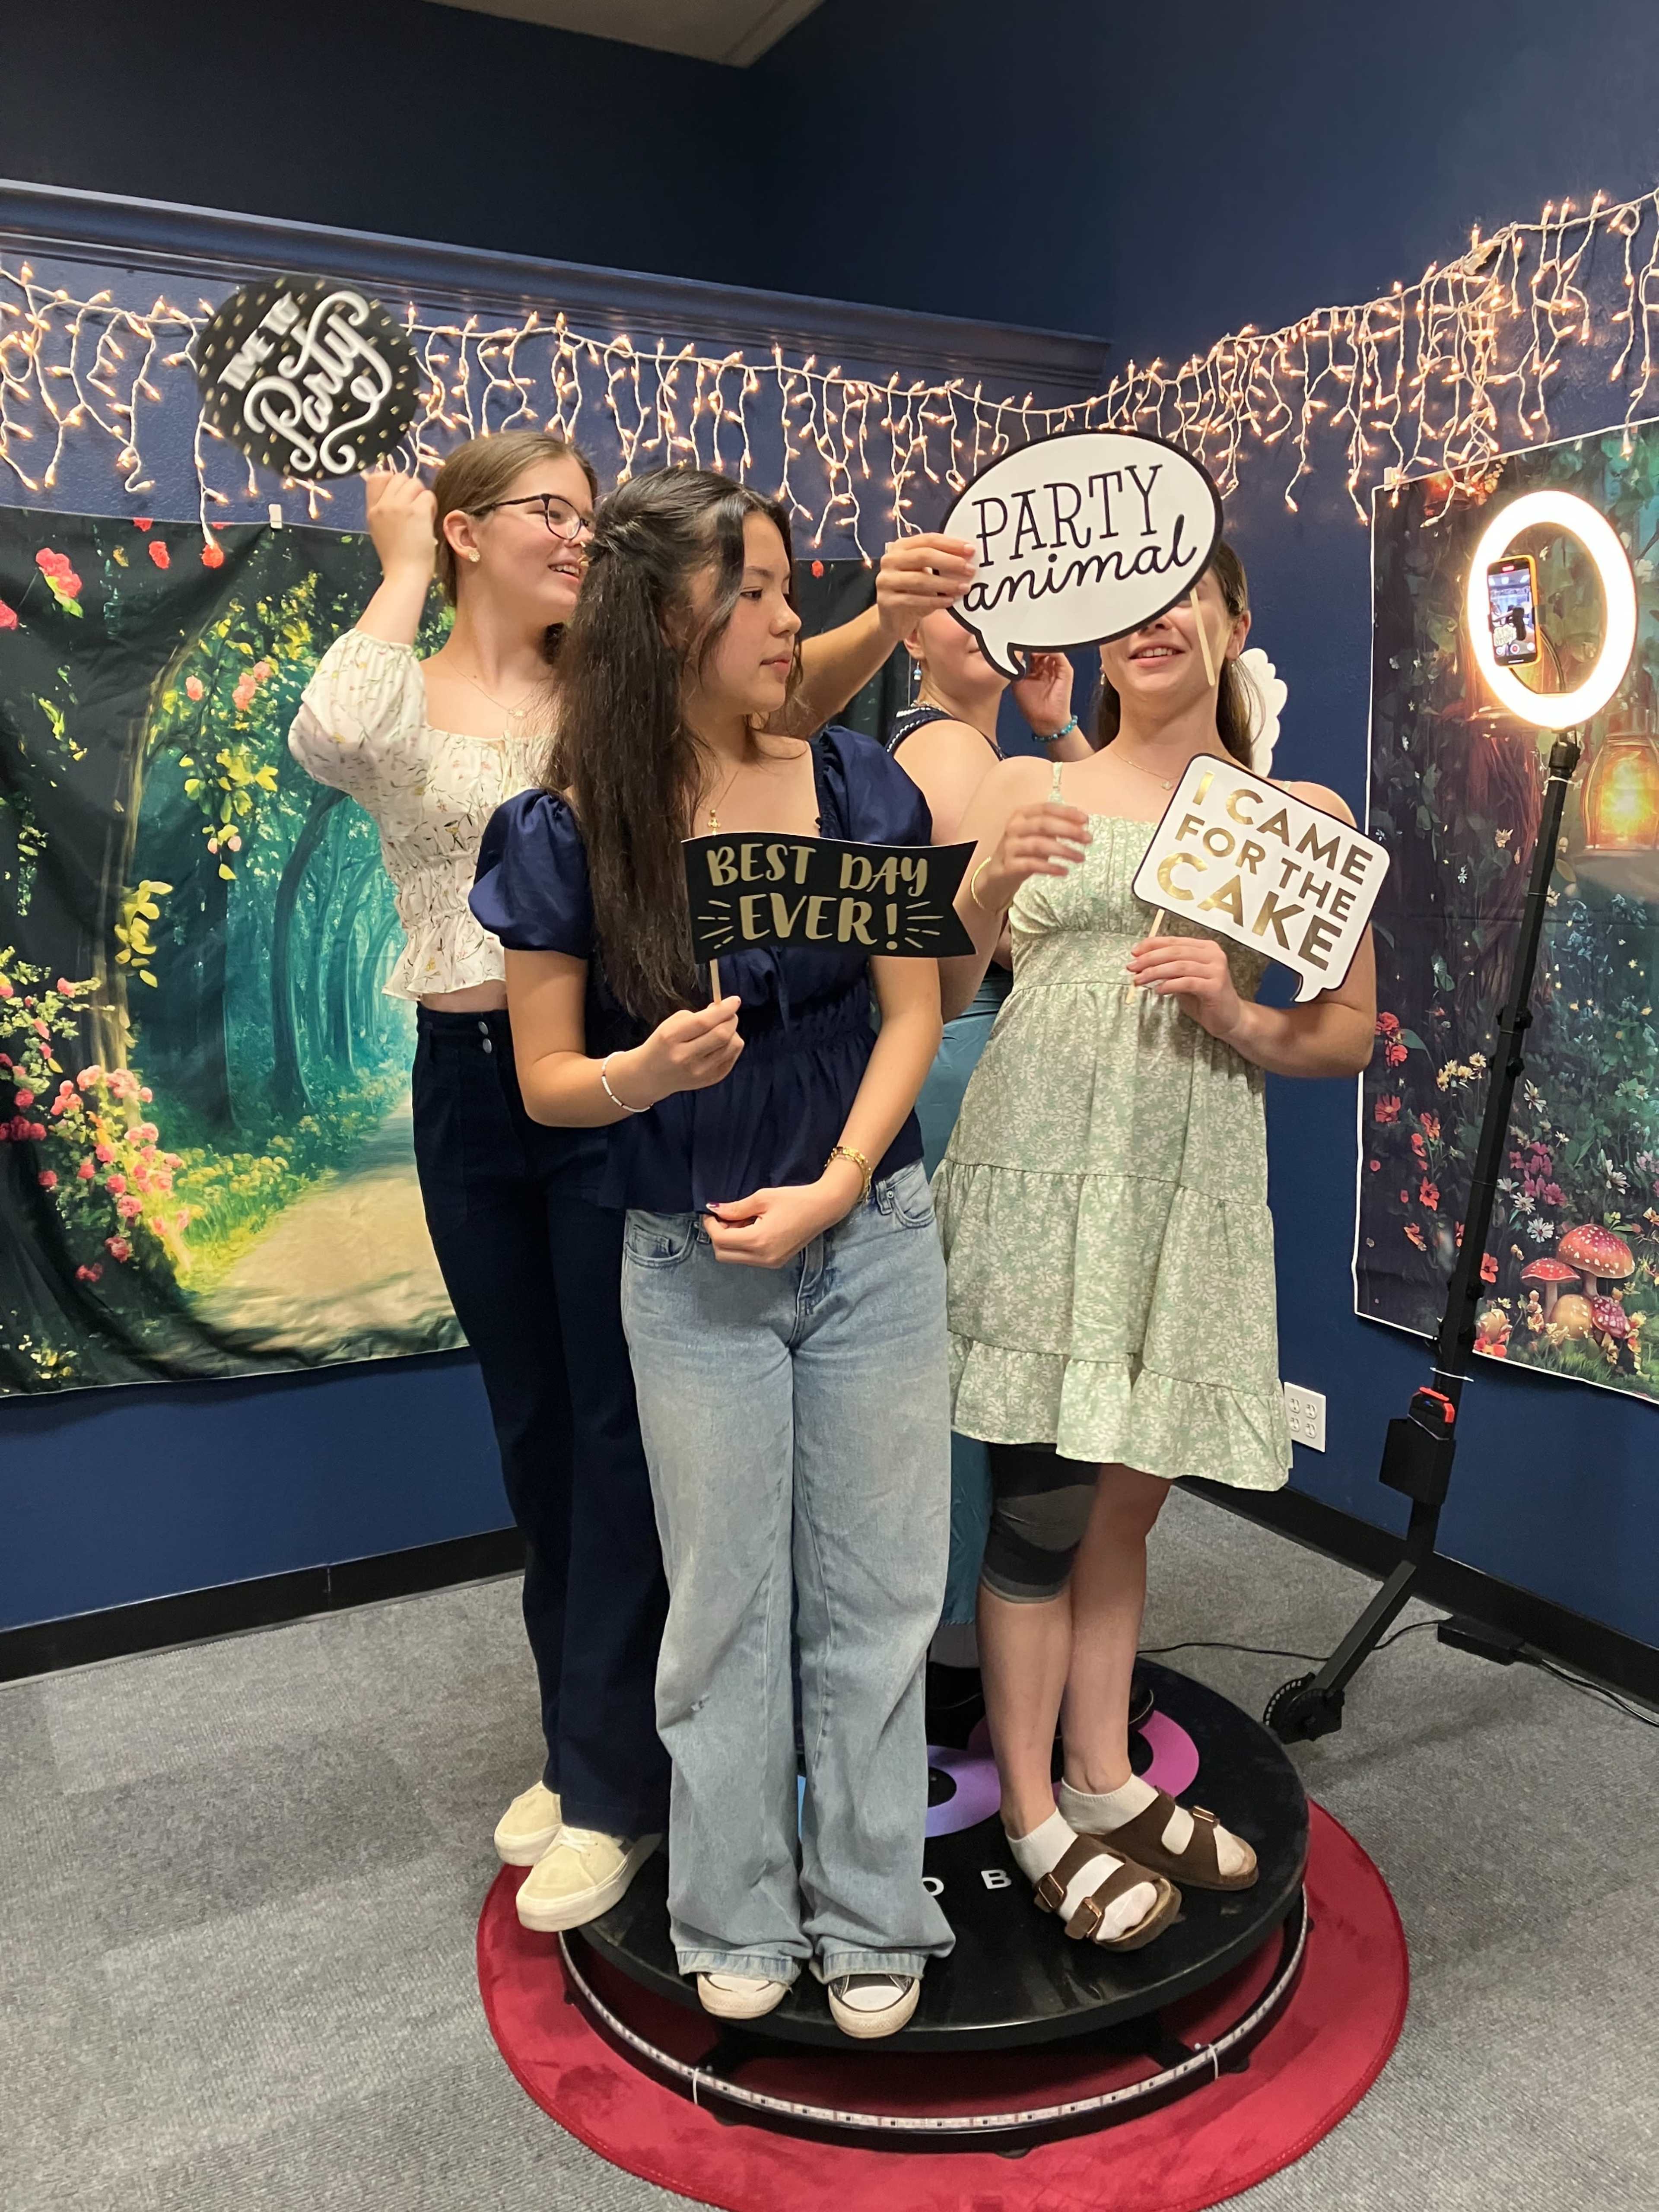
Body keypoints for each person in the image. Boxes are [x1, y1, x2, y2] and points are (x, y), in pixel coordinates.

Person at [288, 430, 974, 1933]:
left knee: (627, 1441)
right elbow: (336, 731)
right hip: (481, 1080)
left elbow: (775, 735)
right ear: (469, 529)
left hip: (652, 1091)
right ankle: (583, 1738)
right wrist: (398, 567)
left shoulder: (636, 709)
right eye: (549, 512)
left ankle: (615, 1785)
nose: (579, 539)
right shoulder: (437, 695)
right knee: (540, 1428)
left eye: (596, 521)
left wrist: (881, 621)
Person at [473, 465, 952, 2040]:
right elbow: (547, 1081)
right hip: (684, 1260)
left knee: (882, 1597)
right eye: (746, 587)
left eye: (784, 581)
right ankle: (731, 1907)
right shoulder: (564, 832)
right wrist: (644, 1076)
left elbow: (912, 1015)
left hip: (869, 1234)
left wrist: (844, 1182)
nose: (783, 617)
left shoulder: (860, 786)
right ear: (658, 614)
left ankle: (878, 1907)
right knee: (724, 1602)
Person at [933, 549, 1376, 1948]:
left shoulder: (1289, 819)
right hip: (1040, 1176)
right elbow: (943, 987)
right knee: (1040, 1512)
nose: (1150, 623)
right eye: (1126, 602)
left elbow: (1351, 1028)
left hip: (1184, 1187)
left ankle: (1107, 1775)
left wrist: (1239, 1017)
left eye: (1183, 594)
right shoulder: (1030, 784)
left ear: (1236, 622)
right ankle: (1036, 1817)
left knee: (1130, 1499)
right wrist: (985, 885)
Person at [885, 614, 1081, 1634]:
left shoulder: (977, 742)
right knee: (974, 1342)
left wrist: (1058, 731)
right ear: (916, 631)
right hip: (973, 1056)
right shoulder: (953, 749)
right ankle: (966, 1616)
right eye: (966, 606)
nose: (994, 624)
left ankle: (966, 1616)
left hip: (962, 1055)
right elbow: (1009, 938)